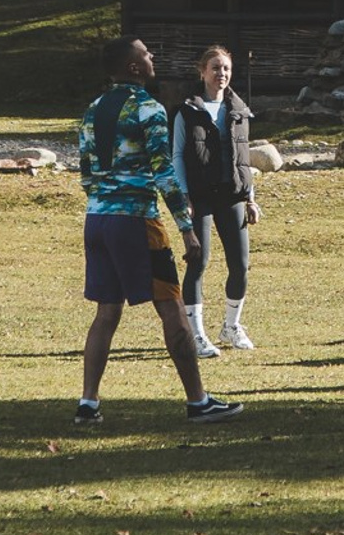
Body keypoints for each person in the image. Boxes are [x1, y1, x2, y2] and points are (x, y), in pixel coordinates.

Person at [76, 37, 240, 425]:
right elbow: (164, 172)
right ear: (134, 68)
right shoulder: (147, 108)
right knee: (172, 308)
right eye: (146, 54)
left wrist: (104, 198)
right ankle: (198, 401)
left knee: (106, 312)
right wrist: (186, 228)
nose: (152, 57)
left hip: (97, 219)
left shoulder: (94, 109)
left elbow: (85, 172)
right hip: (136, 221)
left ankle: (88, 403)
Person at [173, 44, 261, 357]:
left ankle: (231, 326)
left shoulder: (239, 110)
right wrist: (183, 196)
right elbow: (177, 155)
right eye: (215, 68)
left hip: (232, 194)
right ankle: (195, 334)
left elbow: (244, 157)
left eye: (226, 68)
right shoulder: (187, 111)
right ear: (202, 72)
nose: (221, 73)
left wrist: (250, 198)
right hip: (199, 196)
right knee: (198, 261)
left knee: (240, 264)